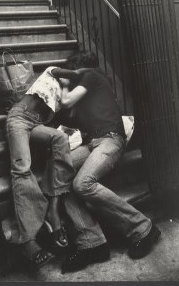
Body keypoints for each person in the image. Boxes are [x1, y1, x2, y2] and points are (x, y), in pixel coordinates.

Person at [58, 51, 161, 273]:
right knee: (57, 177)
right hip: (92, 143)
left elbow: (65, 101)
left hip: (111, 140)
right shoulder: (86, 91)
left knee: (82, 183)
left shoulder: (92, 75)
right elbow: (70, 111)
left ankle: (143, 227)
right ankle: (92, 243)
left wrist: (64, 83)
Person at [6, 65, 110, 270]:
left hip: (36, 124)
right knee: (22, 168)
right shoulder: (54, 71)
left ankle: (53, 210)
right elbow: (67, 74)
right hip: (18, 117)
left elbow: (68, 114)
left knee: (60, 139)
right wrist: (86, 73)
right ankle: (29, 242)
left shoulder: (66, 95)